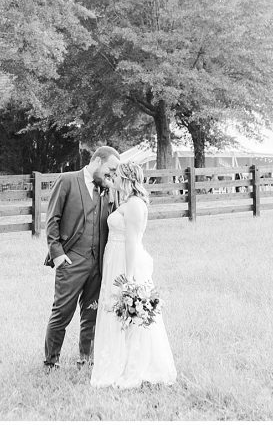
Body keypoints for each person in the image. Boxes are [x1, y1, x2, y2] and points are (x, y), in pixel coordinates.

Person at [90, 160, 176, 388]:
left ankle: (134, 365)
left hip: (125, 262)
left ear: (126, 178)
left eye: (116, 175)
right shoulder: (125, 201)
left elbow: (131, 242)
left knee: (128, 312)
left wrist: (128, 279)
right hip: (114, 258)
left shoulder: (136, 204)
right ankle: (117, 357)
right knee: (116, 311)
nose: (113, 178)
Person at [43, 146, 122, 371]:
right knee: (62, 312)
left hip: (98, 264)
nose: (112, 175)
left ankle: (86, 360)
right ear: (97, 161)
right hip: (71, 261)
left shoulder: (107, 189)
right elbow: (52, 219)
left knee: (92, 312)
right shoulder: (67, 180)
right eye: (110, 169)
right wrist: (57, 255)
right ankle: (51, 361)